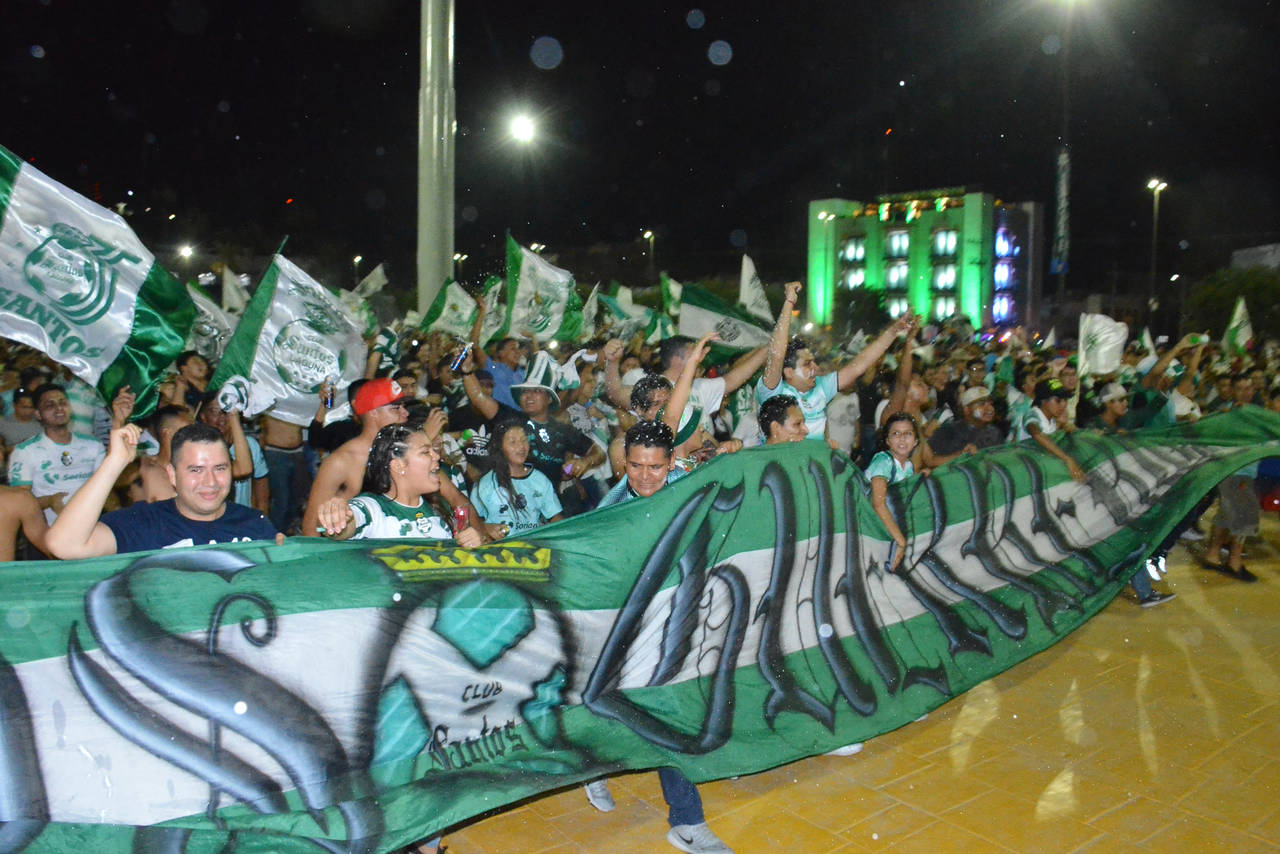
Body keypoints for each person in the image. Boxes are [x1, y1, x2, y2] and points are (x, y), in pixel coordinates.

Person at [587, 420, 732, 854]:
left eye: (655, 467)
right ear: (623, 464)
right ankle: (685, 820)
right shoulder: (612, 509)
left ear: (671, 463)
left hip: (680, 614)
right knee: (661, 710)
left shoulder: (687, 478)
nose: (645, 476)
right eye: (635, 466)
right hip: (630, 623)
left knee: (663, 710)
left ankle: (596, 763)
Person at [45, 422, 278, 557]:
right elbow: (63, 545)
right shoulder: (144, 523)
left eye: (220, 468)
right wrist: (115, 462)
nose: (210, 481)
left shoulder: (254, 523)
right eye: (196, 470)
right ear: (172, 475)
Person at [304, 378, 488, 541]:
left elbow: (458, 500)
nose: (405, 413)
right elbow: (312, 529)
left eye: (404, 406)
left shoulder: (416, 459)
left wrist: (482, 542)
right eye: (395, 408)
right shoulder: (341, 461)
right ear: (373, 412)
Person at [757, 281, 912, 442]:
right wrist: (789, 302)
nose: (815, 368)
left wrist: (892, 332)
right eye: (807, 364)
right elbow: (776, 355)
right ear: (789, 372)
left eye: (814, 362)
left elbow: (859, 366)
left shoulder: (821, 388)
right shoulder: (773, 392)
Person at [7, 383, 106, 522]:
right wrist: (49, 501)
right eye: (50, 405)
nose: (59, 408)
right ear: (38, 414)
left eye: (62, 403)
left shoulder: (93, 445)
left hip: (95, 524)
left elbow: (106, 488)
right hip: (51, 529)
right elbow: (19, 503)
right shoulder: (25, 451)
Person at [469, 419, 563, 532]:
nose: (521, 446)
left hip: (534, 542)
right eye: (513, 442)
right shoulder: (485, 484)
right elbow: (473, 523)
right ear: (500, 447)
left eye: (524, 440)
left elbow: (555, 517)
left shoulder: (540, 480)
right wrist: (487, 528)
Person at [866, 412, 920, 573]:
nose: (902, 439)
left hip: (886, 526)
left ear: (916, 441)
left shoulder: (909, 466)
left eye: (908, 434)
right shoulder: (883, 461)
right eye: (896, 434)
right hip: (869, 525)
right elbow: (878, 504)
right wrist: (901, 542)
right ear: (887, 441)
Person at [1014, 378, 1088, 483]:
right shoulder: (1032, 415)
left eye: (1065, 400)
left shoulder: (1052, 420)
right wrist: (1067, 459)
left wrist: (1065, 427)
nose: (1063, 405)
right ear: (1043, 400)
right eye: (1058, 400)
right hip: (1025, 471)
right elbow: (1036, 433)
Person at [927, 386, 1003, 456]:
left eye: (991, 404)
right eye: (982, 404)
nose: (990, 409)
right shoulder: (948, 432)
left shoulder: (994, 432)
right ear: (966, 410)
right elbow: (931, 460)